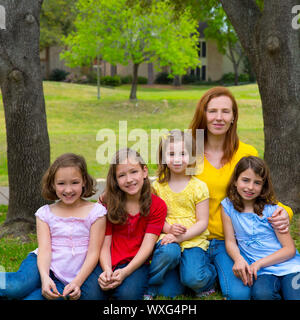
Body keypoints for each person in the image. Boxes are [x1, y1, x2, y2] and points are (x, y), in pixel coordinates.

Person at [189, 86, 293, 300]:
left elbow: (263, 195)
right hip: (192, 239)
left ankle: (219, 270)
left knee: (240, 294)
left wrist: (285, 213)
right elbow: (166, 188)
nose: (219, 117)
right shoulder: (189, 153)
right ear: (203, 114)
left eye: (225, 111)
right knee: (181, 283)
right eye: (212, 111)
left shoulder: (246, 153)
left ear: (234, 117)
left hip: (229, 242)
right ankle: (203, 272)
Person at [0, 153, 107, 300]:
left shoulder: (96, 212)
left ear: (84, 182)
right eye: (61, 183)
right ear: (52, 185)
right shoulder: (45, 213)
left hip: (74, 274)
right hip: (43, 265)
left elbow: (94, 253)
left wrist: (77, 282)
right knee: (16, 287)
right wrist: (44, 278)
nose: (68, 190)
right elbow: (45, 250)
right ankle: (33, 284)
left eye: (74, 182)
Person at [147, 130, 217, 299]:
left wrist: (179, 238)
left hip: (192, 238)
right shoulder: (157, 186)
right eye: (171, 154)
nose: (177, 159)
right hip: (167, 236)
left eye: (182, 154)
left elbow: (202, 222)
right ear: (163, 157)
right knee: (168, 255)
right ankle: (150, 283)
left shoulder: (199, 187)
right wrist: (169, 229)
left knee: (193, 278)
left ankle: (208, 277)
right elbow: (155, 218)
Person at [221, 156, 300, 300]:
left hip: (289, 267)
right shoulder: (228, 207)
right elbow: (230, 241)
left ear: (263, 186)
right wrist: (238, 259)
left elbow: (289, 250)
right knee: (261, 295)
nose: (250, 187)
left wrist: (258, 263)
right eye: (245, 180)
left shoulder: (272, 210)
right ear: (235, 181)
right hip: (263, 272)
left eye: (257, 183)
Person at [95, 148, 167, 300]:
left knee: (127, 296)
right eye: (122, 175)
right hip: (106, 260)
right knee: (90, 295)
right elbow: (104, 243)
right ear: (115, 179)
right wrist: (107, 269)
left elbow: (147, 246)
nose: (129, 179)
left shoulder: (157, 205)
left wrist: (126, 272)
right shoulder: (107, 204)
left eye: (134, 172)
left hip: (135, 264)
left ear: (145, 172)